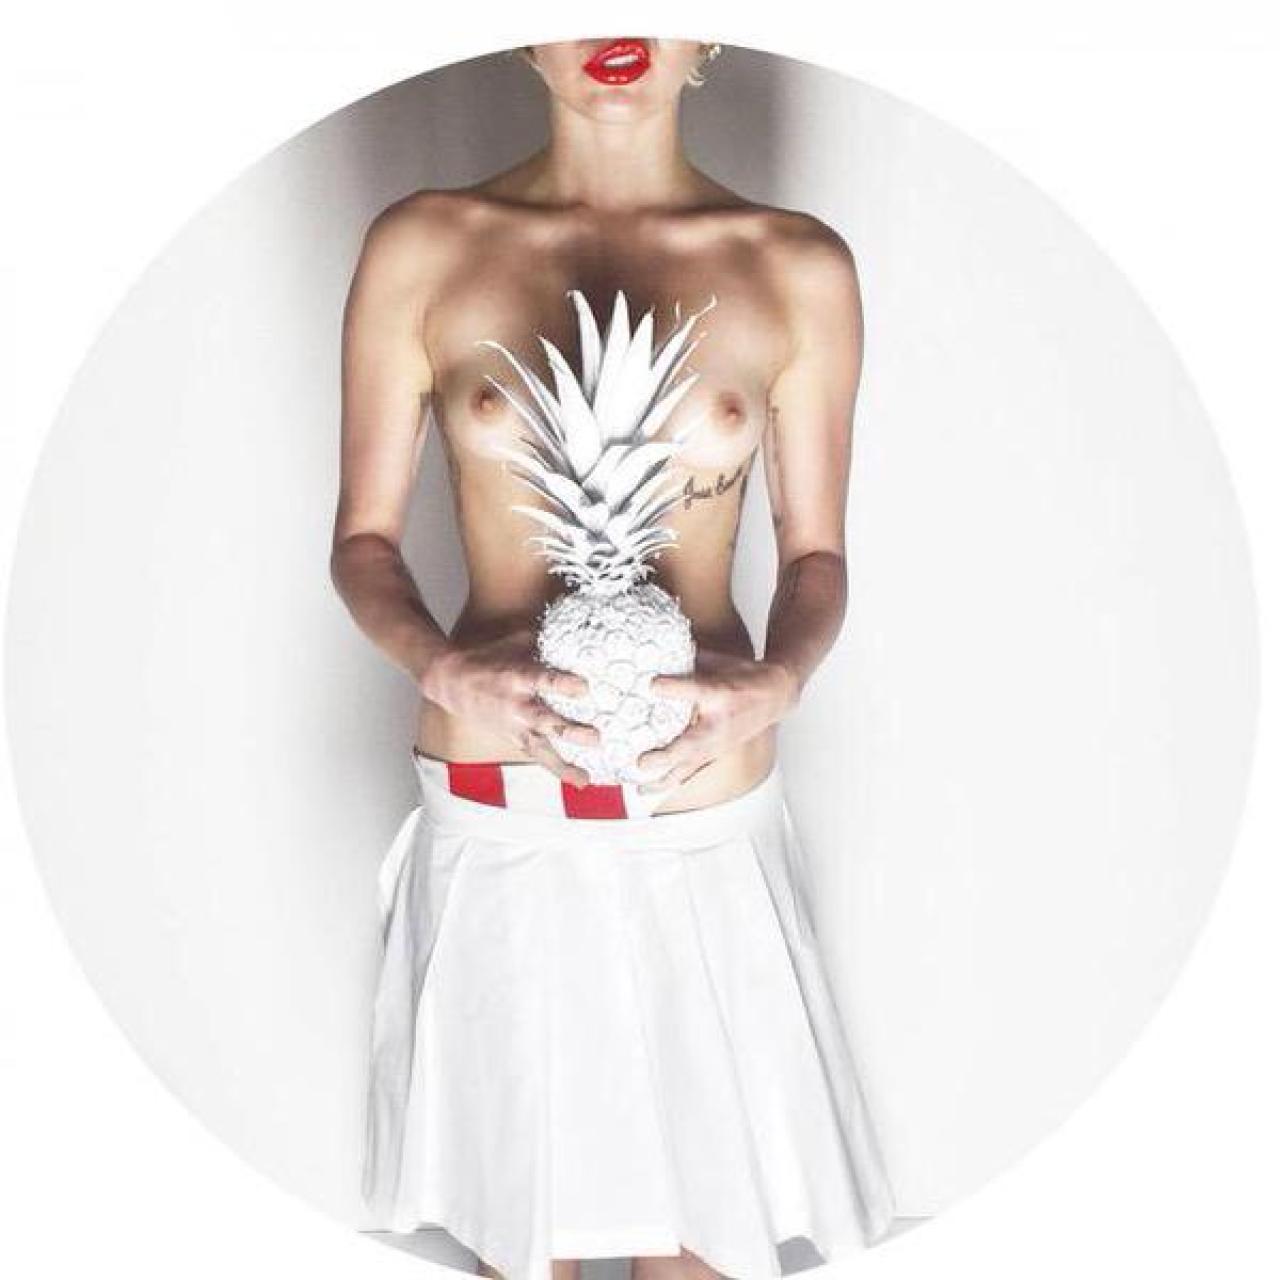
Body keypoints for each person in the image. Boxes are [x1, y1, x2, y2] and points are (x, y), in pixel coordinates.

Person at [331, 36, 895, 1280]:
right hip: (497, 797)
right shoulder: (424, 244)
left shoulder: (793, 263)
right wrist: (442, 667)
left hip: (699, 807)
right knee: (521, 1228)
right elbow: (363, 542)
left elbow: (815, 557)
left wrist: (777, 679)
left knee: (699, 1235)